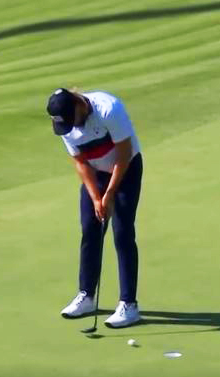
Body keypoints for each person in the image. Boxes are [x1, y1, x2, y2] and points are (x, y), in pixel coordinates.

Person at [46, 87, 143, 328]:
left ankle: (129, 305)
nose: (71, 127)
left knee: (122, 233)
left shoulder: (109, 109)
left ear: (79, 106)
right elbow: (80, 161)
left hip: (126, 169)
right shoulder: (65, 124)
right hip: (95, 172)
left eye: (72, 120)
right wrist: (96, 197)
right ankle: (86, 296)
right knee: (90, 229)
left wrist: (109, 193)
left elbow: (124, 154)